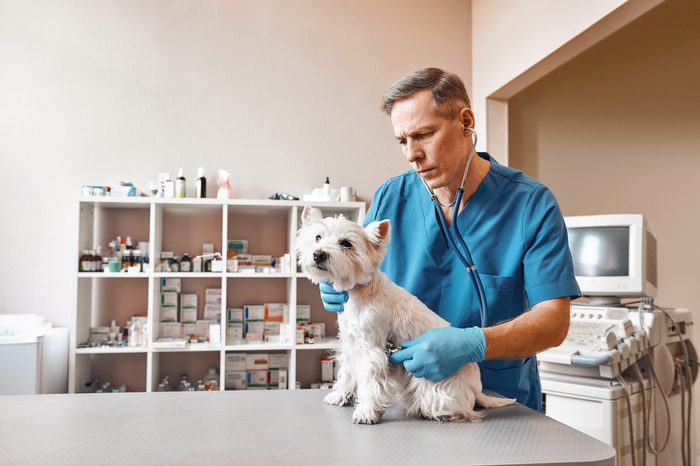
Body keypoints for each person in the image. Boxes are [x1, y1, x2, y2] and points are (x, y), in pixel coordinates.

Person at [319, 67, 580, 411]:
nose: (412, 154)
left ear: (466, 121)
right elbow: (361, 273)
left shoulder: (530, 204)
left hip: (499, 402)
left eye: (424, 134)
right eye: (402, 141)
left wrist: (473, 343)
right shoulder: (389, 197)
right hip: (404, 398)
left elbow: (553, 322)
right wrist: (339, 280)